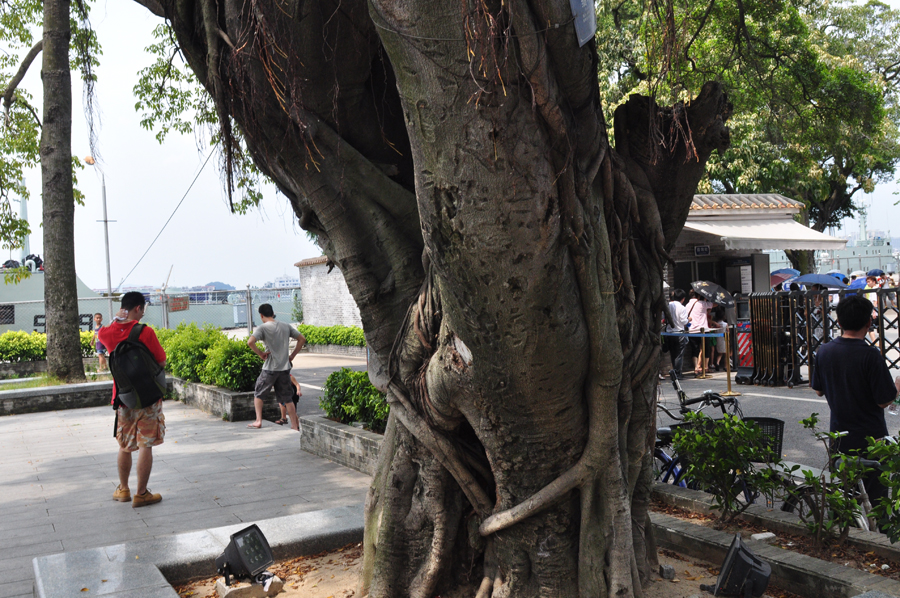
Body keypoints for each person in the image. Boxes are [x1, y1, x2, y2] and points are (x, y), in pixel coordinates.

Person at [811, 294, 900, 511]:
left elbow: (818, 390)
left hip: (839, 436)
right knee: (878, 502)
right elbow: (884, 401)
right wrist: (897, 388)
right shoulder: (871, 356)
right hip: (872, 438)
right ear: (869, 322)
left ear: (839, 322)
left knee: (843, 500)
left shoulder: (824, 351)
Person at [98, 291, 167, 508]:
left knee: (125, 445)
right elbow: (161, 361)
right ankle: (141, 493)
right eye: (143, 309)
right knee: (146, 444)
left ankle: (123, 489)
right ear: (137, 308)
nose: (143, 313)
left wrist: (115, 320)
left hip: (123, 397)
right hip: (148, 397)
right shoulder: (145, 332)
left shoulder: (109, 333)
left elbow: (101, 335)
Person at [247, 303, 306, 430]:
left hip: (270, 368)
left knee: (259, 393)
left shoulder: (262, 328)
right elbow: (302, 339)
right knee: (287, 398)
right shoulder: (286, 326)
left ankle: (258, 421)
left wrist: (261, 354)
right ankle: (294, 425)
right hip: (284, 368)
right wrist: (292, 356)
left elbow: (250, 342)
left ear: (261, 315)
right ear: (273, 313)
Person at [685, 290, 713, 376]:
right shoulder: (702, 303)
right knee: (706, 349)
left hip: (692, 330)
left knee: (695, 350)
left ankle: (696, 368)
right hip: (703, 330)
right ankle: (705, 367)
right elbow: (714, 305)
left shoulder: (687, 305)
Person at [664, 289, 689, 379]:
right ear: (683, 299)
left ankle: (674, 372)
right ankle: (677, 373)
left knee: (673, 353)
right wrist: (688, 320)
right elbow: (683, 321)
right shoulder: (682, 308)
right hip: (679, 333)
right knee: (679, 355)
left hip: (669, 333)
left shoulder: (668, 305)